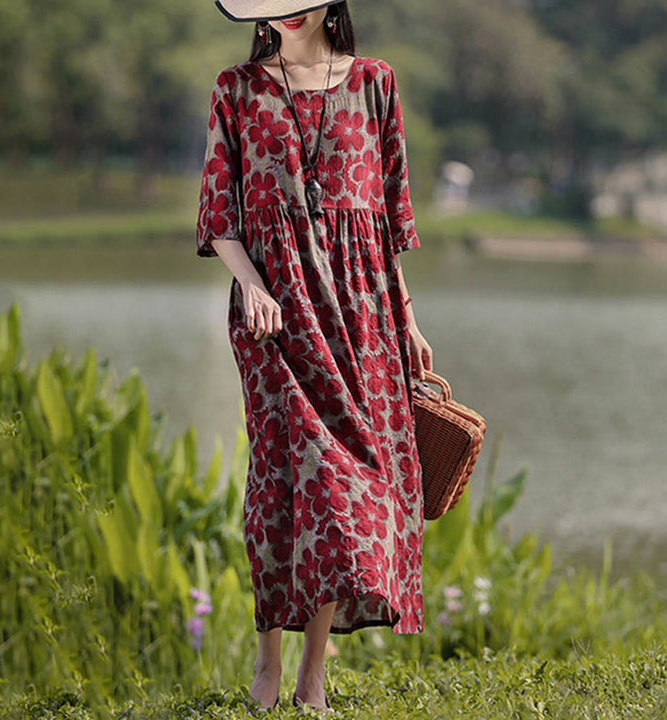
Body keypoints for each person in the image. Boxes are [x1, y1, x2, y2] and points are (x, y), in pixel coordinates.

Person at [196, 0, 433, 713]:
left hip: (361, 319)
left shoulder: (375, 82)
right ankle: (269, 659)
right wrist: (252, 288)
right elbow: (220, 215)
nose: (287, 13)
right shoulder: (235, 89)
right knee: (285, 483)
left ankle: (312, 676)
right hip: (273, 320)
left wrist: (409, 318)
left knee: (343, 494)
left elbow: (389, 218)